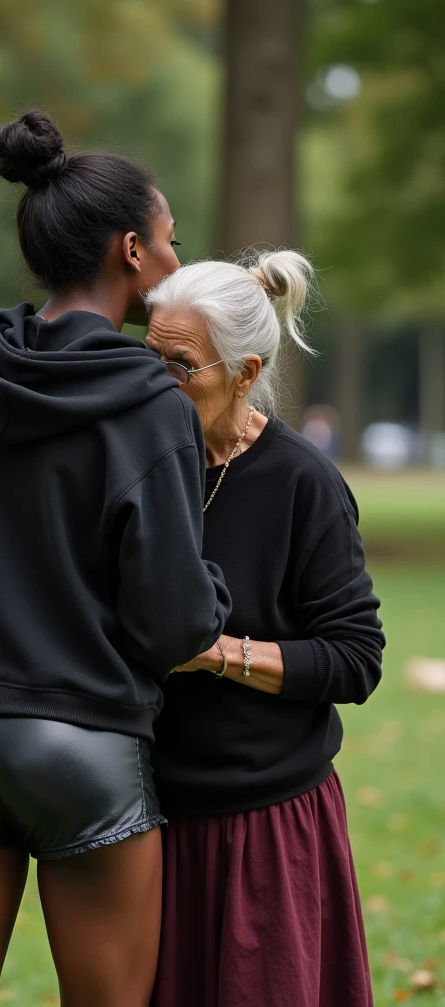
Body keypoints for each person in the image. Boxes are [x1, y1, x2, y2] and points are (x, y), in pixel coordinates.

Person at [0, 109, 230, 1007]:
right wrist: (212, 590)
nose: (179, 262)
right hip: (86, 749)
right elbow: (175, 621)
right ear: (132, 250)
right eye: (173, 241)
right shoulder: (153, 402)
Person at [145, 251, 385, 1007]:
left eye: (182, 366)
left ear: (246, 373)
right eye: (149, 358)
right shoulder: (141, 463)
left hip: (265, 831)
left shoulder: (301, 483)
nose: (159, 384)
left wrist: (216, 654)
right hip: (148, 822)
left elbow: (355, 658)